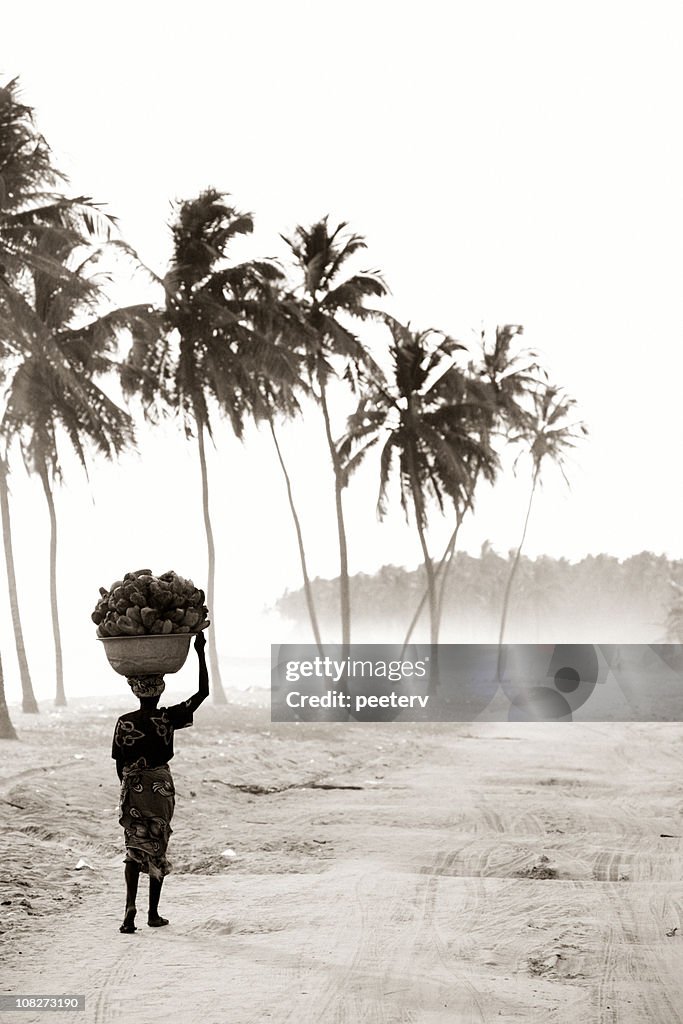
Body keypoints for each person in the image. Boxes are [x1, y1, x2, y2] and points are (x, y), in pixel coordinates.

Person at [112, 631, 209, 933]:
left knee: (134, 847)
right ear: (159, 692)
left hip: (134, 784)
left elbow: (119, 762)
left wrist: (128, 788)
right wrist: (200, 651)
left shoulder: (125, 721)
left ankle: (130, 906)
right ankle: (153, 913)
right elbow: (202, 693)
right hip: (160, 785)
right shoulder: (167, 718)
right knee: (157, 846)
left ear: (137, 691)